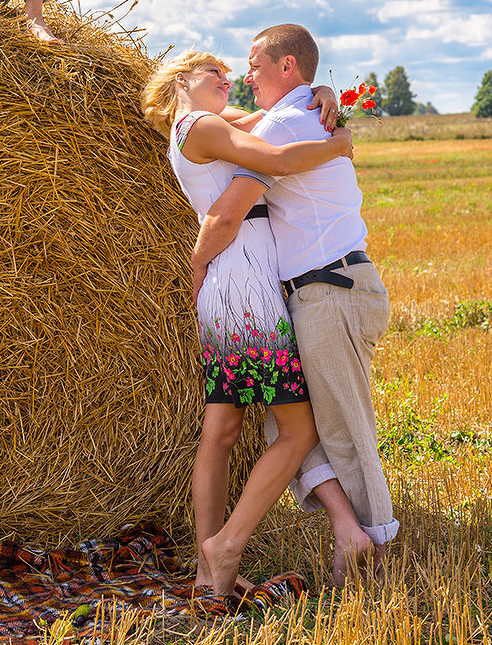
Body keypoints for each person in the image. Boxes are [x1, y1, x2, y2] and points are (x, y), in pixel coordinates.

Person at [189, 24, 398, 587]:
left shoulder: (286, 124)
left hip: (331, 292)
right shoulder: (304, 110)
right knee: (303, 427)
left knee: (346, 430)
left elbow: (229, 211)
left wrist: (197, 267)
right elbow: (221, 121)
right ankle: (348, 532)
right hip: (321, 292)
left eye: (255, 63)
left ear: (286, 67)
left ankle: (371, 559)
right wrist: (322, 97)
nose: (245, 74)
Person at [141, 51, 350, 597]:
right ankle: (226, 546)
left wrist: (321, 97)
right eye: (217, 73)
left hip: (226, 285)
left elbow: (274, 114)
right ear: (183, 80)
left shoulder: (197, 126)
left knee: (222, 432)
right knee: (299, 430)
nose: (229, 81)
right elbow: (277, 158)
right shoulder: (202, 125)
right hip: (246, 286)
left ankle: (209, 576)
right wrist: (337, 146)